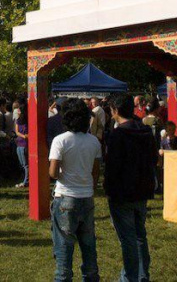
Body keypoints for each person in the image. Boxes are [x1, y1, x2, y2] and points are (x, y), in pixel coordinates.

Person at [104, 93, 157, 282]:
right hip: (142, 190)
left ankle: (130, 277)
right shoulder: (145, 131)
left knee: (127, 240)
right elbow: (153, 159)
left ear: (115, 110)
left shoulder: (118, 135)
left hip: (122, 193)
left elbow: (112, 166)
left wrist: (108, 189)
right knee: (139, 235)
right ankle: (142, 275)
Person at [49, 98, 102, 282]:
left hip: (65, 195)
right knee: (88, 245)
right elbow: (96, 172)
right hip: (86, 196)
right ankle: (91, 277)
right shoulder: (94, 141)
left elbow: (53, 172)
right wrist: (89, 186)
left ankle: (63, 278)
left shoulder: (60, 141)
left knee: (63, 245)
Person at [15, 103, 29, 188]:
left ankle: (26, 181)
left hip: (24, 144)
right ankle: (25, 179)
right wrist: (24, 136)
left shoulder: (26, 120)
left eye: (19, 110)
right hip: (20, 143)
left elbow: (17, 132)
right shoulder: (18, 120)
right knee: (23, 164)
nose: (17, 111)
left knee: (25, 164)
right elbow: (16, 131)